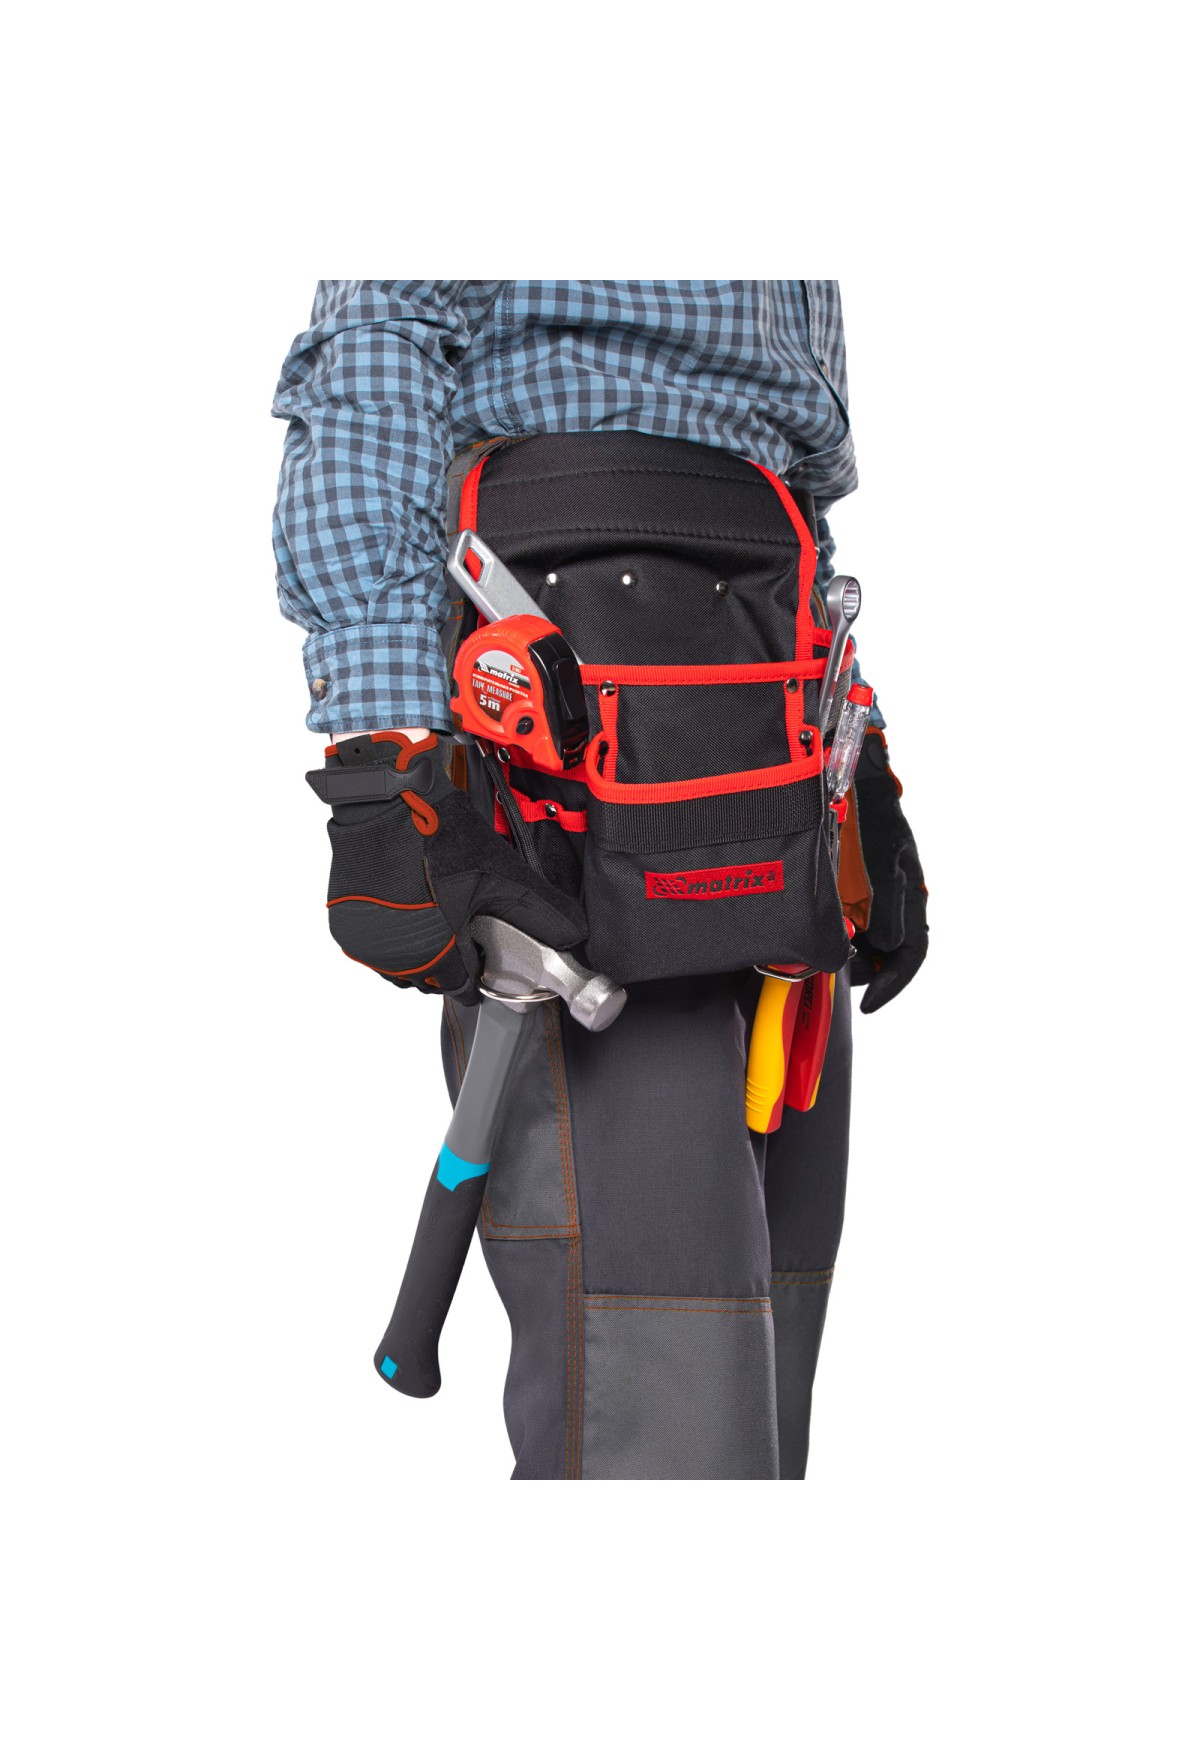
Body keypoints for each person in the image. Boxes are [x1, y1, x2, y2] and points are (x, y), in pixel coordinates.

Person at [273, 281, 928, 1479]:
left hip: (779, 731)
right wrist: (386, 758)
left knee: (762, 1373)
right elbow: (380, 335)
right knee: (660, 1408)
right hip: (565, 739)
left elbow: (801, 488)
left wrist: (861, 758)